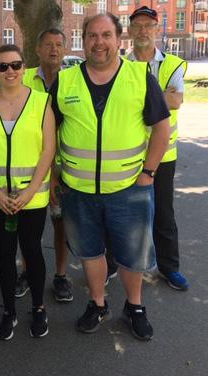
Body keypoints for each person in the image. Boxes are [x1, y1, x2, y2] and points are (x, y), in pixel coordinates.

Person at [50, 13, 171, 341]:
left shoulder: (139, 77)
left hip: (129, 189)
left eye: (106, 35)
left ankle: (135, 307)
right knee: (90, 252)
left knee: (132, 256)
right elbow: (48, 133)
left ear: (119, 40)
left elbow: (162, 127)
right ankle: (98, 303)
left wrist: (148, 173)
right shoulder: (66, 81)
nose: (98, 42)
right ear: (84, 39)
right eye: (92, 35)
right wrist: (53, 176)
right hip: (78, 191)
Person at [0, 44, 55, 340]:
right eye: (3, 66)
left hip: (32, 197)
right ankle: (9, 310)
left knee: (32, 251)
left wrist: (31, 191)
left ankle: (39, 307)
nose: (10, 71)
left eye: (16, 65)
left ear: (24, 68)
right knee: (5, 253)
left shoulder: (42, 101)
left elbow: (48, 149)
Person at [107, 6, 188, 291]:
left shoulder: (174, 64)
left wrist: (143, 98)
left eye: (148, 26)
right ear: (129, 31)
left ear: (157, 30)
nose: (143, 31)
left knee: (163, 214)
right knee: (121, 214)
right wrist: (158, 96)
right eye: (137, 25)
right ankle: (113, 263)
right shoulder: (121, 65)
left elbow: (176, 100)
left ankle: (169, 267)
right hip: (129, 155)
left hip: (164, 155)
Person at [13, 28, 73, 303]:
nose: (54, 49)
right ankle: (27, 271)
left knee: (61, 223)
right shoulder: (21, 76)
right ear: (36, 50)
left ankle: (61, 276)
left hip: (65, 168)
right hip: (31, 166)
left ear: (65, 48)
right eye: (47, 44)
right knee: (29, 226)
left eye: (59, 44)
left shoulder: (74, 80)